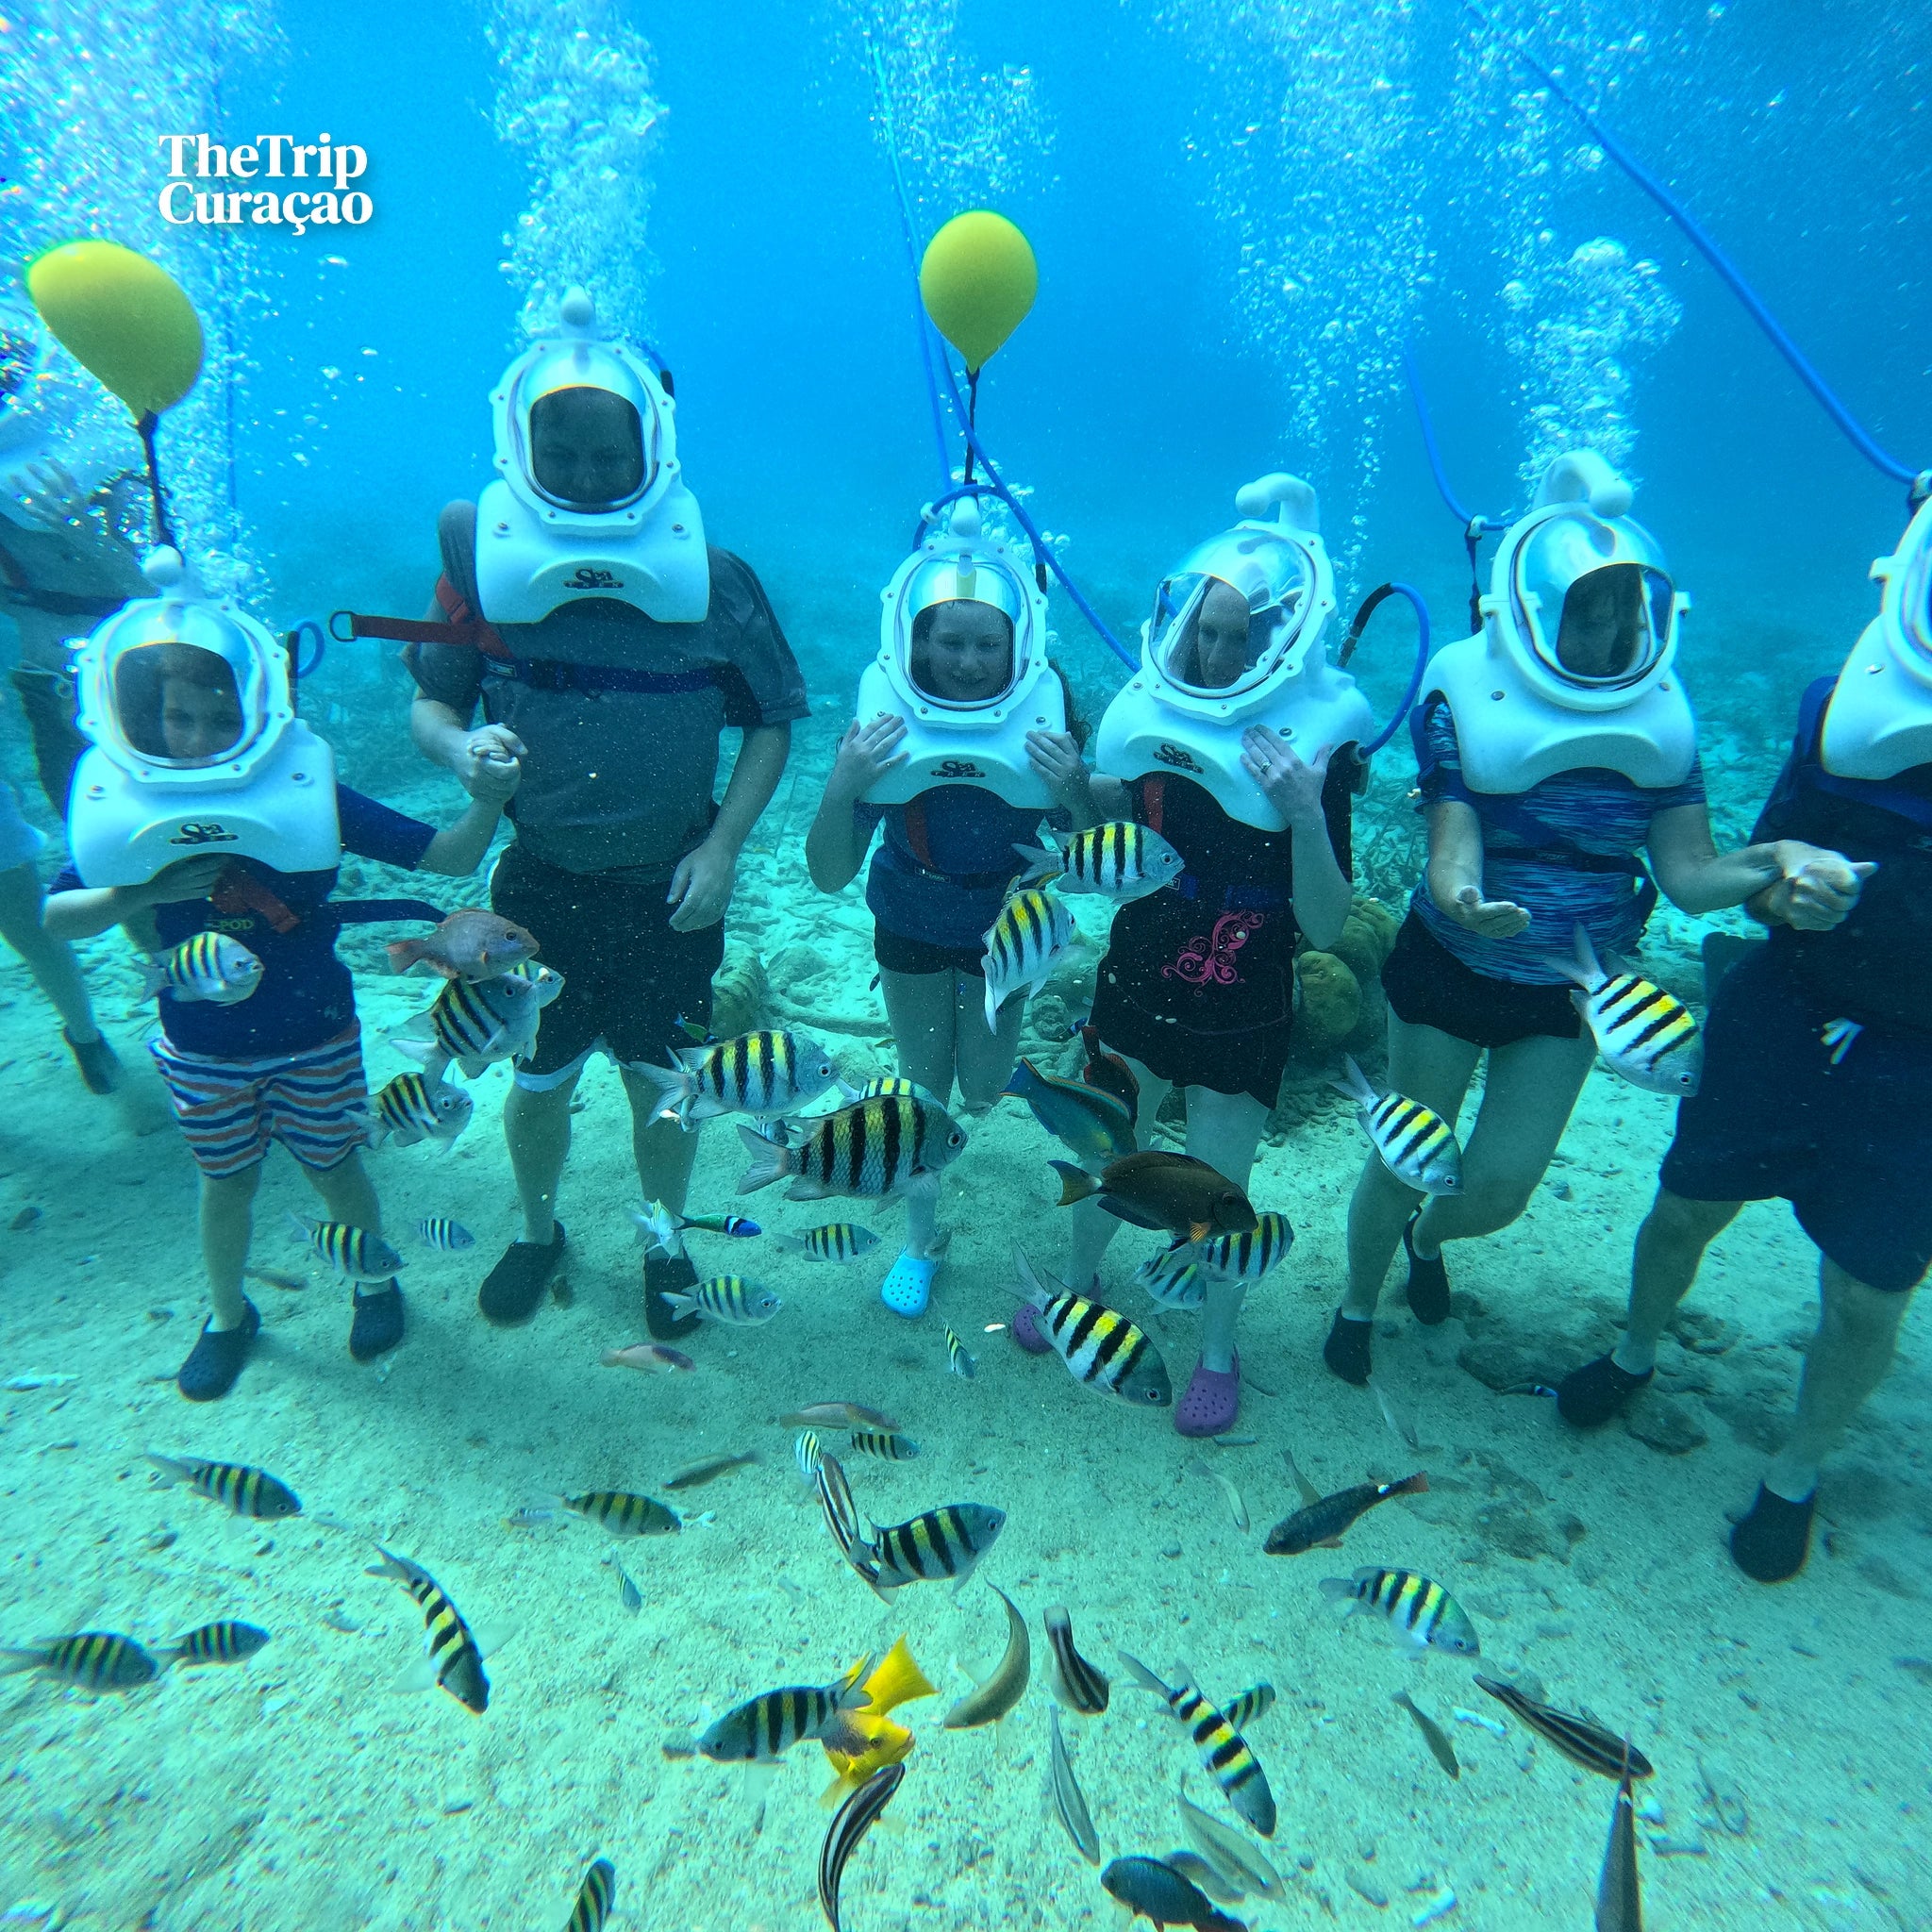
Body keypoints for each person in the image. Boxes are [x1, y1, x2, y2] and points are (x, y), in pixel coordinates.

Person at [1323, 452, 1837, 1388]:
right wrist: (1463, 902)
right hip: (1446, 969)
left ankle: (1426, 1241)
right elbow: (1451, 840)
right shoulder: (1464, 690)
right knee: (1404, 1154)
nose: (1608, 630)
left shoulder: (1663, 718)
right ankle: (1355, 1301)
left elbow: (1686, 877)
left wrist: (1777, 861)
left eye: (1624, 608)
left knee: (1498, 1187)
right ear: (1535, 608)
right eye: (1587, 608)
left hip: (1573, 987)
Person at [393, 289, 806, 1336]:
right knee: (535, 1084)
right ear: (518, 443)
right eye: (559, 450)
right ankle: (538, 1230)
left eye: (605, 452)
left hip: (672, 890)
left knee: (665, 1086)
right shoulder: (481, 570)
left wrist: (722, 844)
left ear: (652, 444)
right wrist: (458, 750)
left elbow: (769, 723)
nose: (583, 472)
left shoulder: (716, 581)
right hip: (541, 886)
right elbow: (432, 701)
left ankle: (664, 1245)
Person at [1557, 489, 1932, 1582]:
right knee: (1684, 1207)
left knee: (1865, 1286)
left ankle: (1796, 1471)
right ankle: (1632, 1350)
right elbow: (1766, 858)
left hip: (1920, 1058)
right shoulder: (1835, 703)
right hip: (1787, 1001)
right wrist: (1782, 889)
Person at [43, 557, 520, 1399]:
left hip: (315, 1034)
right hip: (201, 1046)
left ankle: (374, 1281)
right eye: (179, 716)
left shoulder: (309, 794)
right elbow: (59, 919)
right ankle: (228, 1315)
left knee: (337, 1169)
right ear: (142, 716)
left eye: (221, 713)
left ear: (262, 706)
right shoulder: (129, 801)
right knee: (226, 1183)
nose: (198, 734)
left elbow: (450, 856)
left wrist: (487, 793)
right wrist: (143, 893)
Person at [1044, 475, 1371, 1436]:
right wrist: (1074, 788)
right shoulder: (1157, 713)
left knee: (1218, 1190)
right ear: (1182, 626)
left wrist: (1307, 812)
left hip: (1245, 998)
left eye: (1245, 635)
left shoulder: (1311, 751)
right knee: (1106, 1146)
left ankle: (1216, 1348)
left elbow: (1323, 920)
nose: (1223, 652)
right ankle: (1071, 1287)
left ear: (1284, 640)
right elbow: (1118, 811)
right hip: (1142, 967)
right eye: (1210, 632)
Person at [805, 497, 1096, 1315]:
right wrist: (844, 782)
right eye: (950, 641)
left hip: (1009, 931)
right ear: (918, 641)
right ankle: (919, 1242)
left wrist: (1075, 785)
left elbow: (1094, 851)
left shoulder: (1045, 709)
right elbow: (827, 872)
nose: (968, 661)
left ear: (1017, 644)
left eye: (986, 643)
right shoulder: (889, 718)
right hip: (910, 918)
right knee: (927, 1091)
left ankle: (995, 1097)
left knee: (984, 1084)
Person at [0, 294, 146, 1091]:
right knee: (101, 856)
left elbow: (173, 594)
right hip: (48, 697)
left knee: (169, 859)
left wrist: (86, 536)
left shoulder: (98, 468)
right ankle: (167, 991)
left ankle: (192, 1001)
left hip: (146, 698)